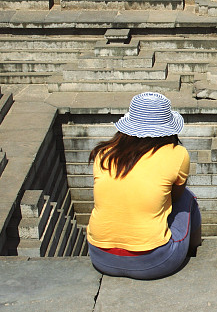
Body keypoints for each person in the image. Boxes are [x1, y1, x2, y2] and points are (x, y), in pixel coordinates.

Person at [86, 92, 202, 280]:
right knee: (188, 198)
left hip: (100, 256)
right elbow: (176, 197)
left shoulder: (103, 153)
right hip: (154, 262)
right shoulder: (177, 154)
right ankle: (194, 250)